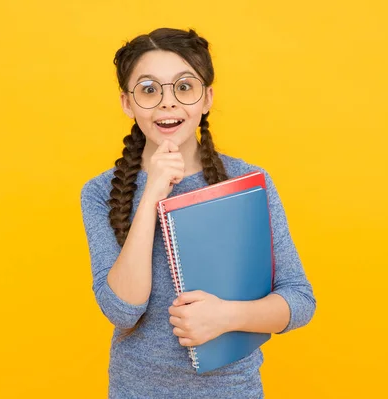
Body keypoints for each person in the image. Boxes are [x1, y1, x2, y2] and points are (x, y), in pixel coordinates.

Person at [80, 27, 316, 399]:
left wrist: (227, 316)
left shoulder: (249, 181)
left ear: (207, 97)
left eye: (184, 87)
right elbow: (123, 310)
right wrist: (153, 193)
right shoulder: (98, 193)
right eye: (148, 89)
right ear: (127, 103)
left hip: (233, 390)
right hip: (136, 390)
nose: (167, 103)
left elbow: (300, 300)